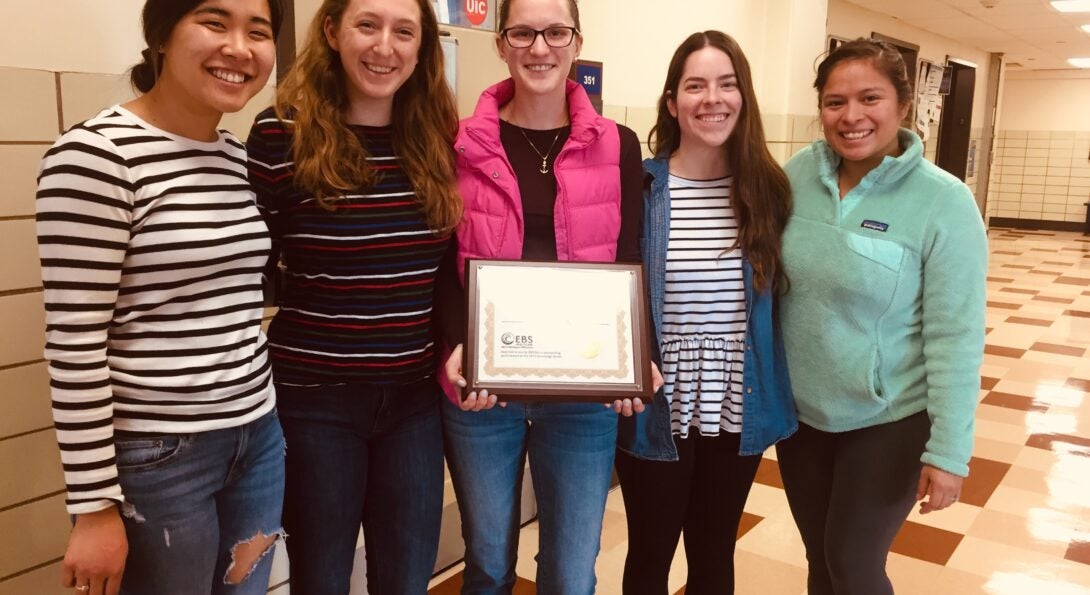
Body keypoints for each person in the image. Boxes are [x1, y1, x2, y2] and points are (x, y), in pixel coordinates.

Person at [35, 1, 284, 594]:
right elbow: (74, 341)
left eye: (259, 31)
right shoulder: (95, 157)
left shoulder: (231, 154)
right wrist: (95, 506)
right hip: (159, 458)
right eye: (214, 23)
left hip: (256, 436)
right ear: (162, 37)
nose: (240, 48)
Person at [244, 0, 460, 592]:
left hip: (413, 402)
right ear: (334, 30)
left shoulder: (437, 138)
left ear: (422, 49)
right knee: (321, 577)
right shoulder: (278, 134)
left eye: (404, 31)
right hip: (315, 401)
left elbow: (447, 272)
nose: (384, 47)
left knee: (406, 577)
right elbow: (249, 267)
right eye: (368, 25)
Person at [437, 0, 650, 592]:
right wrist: (457, 347)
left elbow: (629, 255)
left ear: (577, 42)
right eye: (523, 33)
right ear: (500, 44)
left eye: (556, 32)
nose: (540, 47)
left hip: (581, 395)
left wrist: (637, 357)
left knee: (571, 570)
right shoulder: (458, 142)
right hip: (486, 392)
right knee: (485, 562)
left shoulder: (618, 143)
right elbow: (442, 261)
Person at [775, 38, 987, 595]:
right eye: (834, 101)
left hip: (889, 418)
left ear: (903, 104)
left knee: (852, 562)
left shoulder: (944, 201)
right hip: (802, 417)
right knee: (820, 559)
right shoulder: (797, 175)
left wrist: (949, 451)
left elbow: (956, 335)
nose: (851, 117)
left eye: (870, 98)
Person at [613, 31, 797, 595]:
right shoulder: (640, 185)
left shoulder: (768, 189)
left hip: (737, 397)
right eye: (695, 86)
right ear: (672, 102)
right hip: (657, 396)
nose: (711, 99)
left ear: (744, 98)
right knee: (650, 549)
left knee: (715, 551)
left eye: (726, 84)